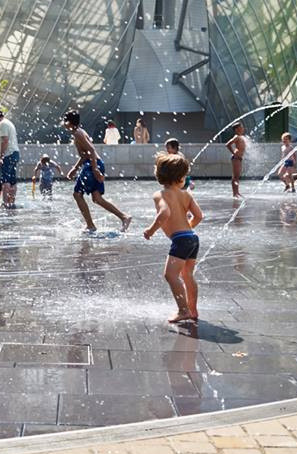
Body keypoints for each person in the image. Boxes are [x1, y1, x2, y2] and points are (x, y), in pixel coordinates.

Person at [143, 153, 204, 324]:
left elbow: (164, 213)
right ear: (180, 178)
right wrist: (187, 229)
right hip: (192, 237)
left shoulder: (160, 194)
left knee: (170, 275)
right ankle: (193, 309)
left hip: (181, 240)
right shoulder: (187, 194)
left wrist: (150, 230)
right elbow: (199, 216)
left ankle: (183, 310)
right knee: (187, 275)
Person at [62, 110, 132, 232]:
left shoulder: (78, 133)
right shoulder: (79, 132)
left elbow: (91, 151)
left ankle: (90, 225)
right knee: (97, 198)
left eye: (65, 120)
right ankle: (124, 217)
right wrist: (75, 168)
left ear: (69, 122)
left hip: (92, 165)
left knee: (77, 194)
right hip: (94, 164)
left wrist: (95, 169)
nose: (63, 123)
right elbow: (85, 155)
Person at [0, 110, 20, 207]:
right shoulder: (9, 123)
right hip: (14, 153)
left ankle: (5, 203)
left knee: (5, 180)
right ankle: (11, 202)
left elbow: (5, 141)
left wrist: (1, 156)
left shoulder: (3, 124)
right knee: (12, 180)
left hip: (8, 155)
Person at [225, 123, 247, 198]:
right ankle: (235, 193)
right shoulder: (236, 137)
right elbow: (228, 144)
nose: (243, 129)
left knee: (237, 176)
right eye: (241, 127)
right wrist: (234, 153)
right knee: (235, 176)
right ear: (237, 129)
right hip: (236, 158)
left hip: (238, 158)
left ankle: (237, 192)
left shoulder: (240, 137)